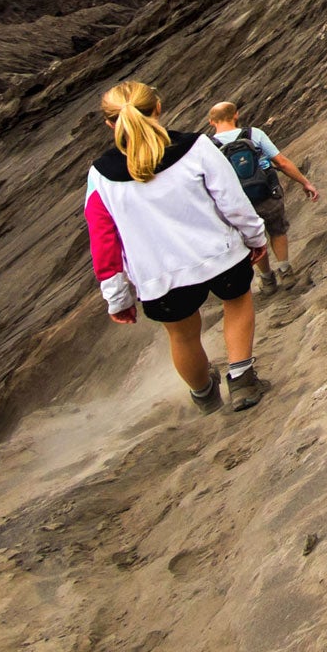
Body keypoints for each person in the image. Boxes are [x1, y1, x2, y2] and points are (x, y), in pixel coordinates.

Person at [84, 81, 271, 413]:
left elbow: (103, 240)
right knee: (237, 304)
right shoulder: (196, 147)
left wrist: (118, 297)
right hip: (219, 254)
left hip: (159, 276)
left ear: (110, 123)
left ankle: (203, 393)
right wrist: (255, 237)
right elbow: (232, 201)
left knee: (182, 336)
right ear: (158, 109)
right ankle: (242, 380)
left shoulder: (101, 175)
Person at [205, 101, 320, 292]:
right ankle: (285, 270)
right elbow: (281, 162)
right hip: (267, 193)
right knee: (277, 229)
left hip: (237, 202)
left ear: (211, 122)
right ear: (236, 115)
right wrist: (305, 182)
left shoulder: (209, 146)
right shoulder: (253, 134)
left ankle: (267, 279)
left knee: (254, 239)